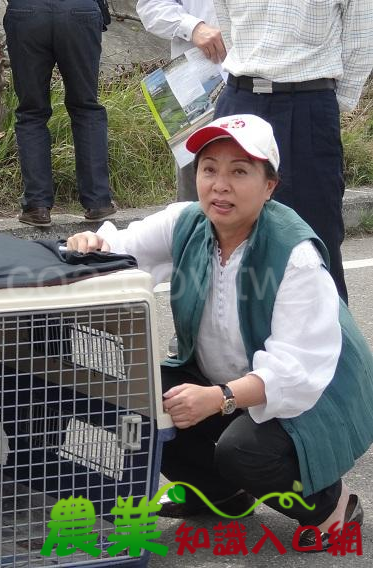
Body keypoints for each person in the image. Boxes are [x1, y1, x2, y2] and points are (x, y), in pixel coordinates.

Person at [67, 114, 373, 550]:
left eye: (239, 171)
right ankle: (222, 495)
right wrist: (91, 244)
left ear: (269, 185)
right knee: (146, 398)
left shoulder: (295, 255)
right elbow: (121, 247)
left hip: (317, 393)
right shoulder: (187, 222)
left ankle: (332, 506)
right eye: (209, 169)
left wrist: (218, 398)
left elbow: (295, 370)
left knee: (243, 450)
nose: (220, 184)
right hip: (228, 379)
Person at [210, 0, 373, 304]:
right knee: (230, 234)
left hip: (307, 102)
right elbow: (227, 20)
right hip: (240, 97)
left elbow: (362, 43)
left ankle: (329, 345)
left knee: (316, 235)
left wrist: (324, 107)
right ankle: (234, 342)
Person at [0, 0, 117, 227]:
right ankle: (98, 201)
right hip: (80, 11)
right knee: (86, 108)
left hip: (27, 14)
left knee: (32, 112)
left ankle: (36, 205)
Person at [136, 0, 225, 201]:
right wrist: (193, 27)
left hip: (262, 84)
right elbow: (150, 6)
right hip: (193, 82)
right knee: (193, 184)